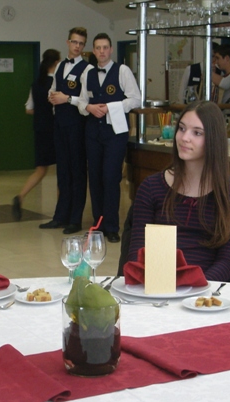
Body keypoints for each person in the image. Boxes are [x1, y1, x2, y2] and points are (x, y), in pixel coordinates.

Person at [127, 101, 230, 282]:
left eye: (197, 133)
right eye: (182, 129)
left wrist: (194, 288)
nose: (184, 138)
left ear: (213, 140)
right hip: (158, 285)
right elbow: (137, 253)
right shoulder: (151, 187)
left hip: (208, 289)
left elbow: (227, 262)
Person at [78, 32, 142, 243]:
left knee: (111, 177)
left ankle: (112, 227)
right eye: (98, 48)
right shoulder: (87, 73)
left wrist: (112, 107)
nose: (102, 51)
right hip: (93, 133)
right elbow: (81, 102)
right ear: (94, 50)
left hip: (115, 133)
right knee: (95, 178)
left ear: (111, 49)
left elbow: (135, 99)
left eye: (105, 47)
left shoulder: (122, 71)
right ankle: (98, 225)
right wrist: (89, 107)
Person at [41, 27, 92, 235]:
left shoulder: (87, 69)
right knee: (62, 171)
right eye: (74, 42)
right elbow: (53, 88)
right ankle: (60, 216)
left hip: (77, 124)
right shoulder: (60, 65)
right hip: (60, 124)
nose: (77, 46)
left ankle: (75, 219)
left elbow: (87, 99)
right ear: (68, 42)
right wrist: (52, 96)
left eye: (81, 43)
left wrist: (67, 98)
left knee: (77, 172)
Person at [12, 49, 61, 221]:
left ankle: (20, 196)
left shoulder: (36, 83)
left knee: (40, 170)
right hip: (55, 130)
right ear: (56, 63)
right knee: (61, 170)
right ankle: (60, 209)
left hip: (40, 130)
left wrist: (41, 113)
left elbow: (29, 109)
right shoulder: (56, 82)